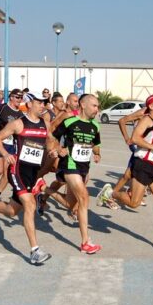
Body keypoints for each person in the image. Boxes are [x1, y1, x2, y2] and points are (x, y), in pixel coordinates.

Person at [0, 91, 52, 265]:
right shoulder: (18, 124)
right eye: (39, 102)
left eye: (44, 103)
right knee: (30, 204)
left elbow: (49, 142)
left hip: (32, 173)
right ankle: (35, 251)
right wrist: (5, 154)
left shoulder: (45, 123)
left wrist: (55, 150)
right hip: (17, 170)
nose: (43, 106)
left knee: (12, 211)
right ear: (29, 104)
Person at [102, 94, 153, 249]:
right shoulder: (147, 120)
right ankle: (110, 193)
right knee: (134, 203)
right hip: (143, 164)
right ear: (151, 106)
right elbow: (135, 138)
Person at [48, 93, 104, 253]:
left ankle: (43, 189)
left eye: (98, 106)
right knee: (84, 198)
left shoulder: (95, 126)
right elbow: (53, 135)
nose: (97, 109)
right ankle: (85, 242)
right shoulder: (70, 121)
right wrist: (58, 149)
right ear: (83, 105)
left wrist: (97, 153)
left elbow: (96, 143)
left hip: (84, 168)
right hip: (69, 165)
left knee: (70, 204)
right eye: (94, 105)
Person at [0, 89, 25, 203]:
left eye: (21, 97)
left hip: (10, 145)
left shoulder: (20, 114)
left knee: (6, 172)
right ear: (11, 97)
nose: (19, 100)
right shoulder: (1, 108)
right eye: (17, 97)